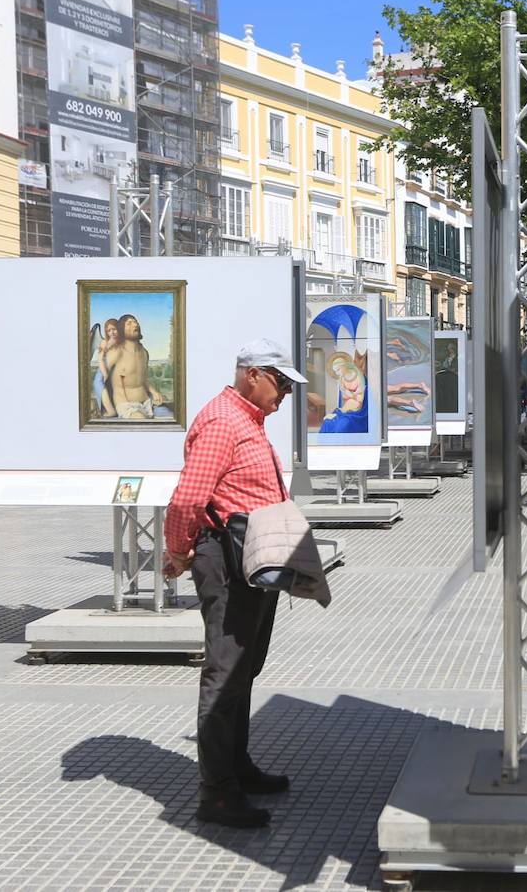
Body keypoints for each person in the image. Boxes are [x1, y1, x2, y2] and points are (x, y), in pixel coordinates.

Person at [162, 338, 308, 828]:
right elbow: (187, 499)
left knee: (244, 666)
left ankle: (236, 767)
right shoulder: (225, 421)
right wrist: (179, 551)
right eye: (281, 382)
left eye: (288, 385)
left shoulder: (246, 419)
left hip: (248, 557)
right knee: (225, 672)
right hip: (225, 558)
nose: (285, 393)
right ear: (253, 375)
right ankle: (217, 794)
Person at [109, 314, 172, 420]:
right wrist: (108, 408)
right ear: (121, 329)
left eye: (135, 322)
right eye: (129, 323)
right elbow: (100, 379)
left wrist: (154, 392)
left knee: (170, 418)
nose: (135, 324)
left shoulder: (144, 352)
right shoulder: (116, 352)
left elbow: (143, 379)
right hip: (127, 406)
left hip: (148, 403)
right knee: (142, 423)